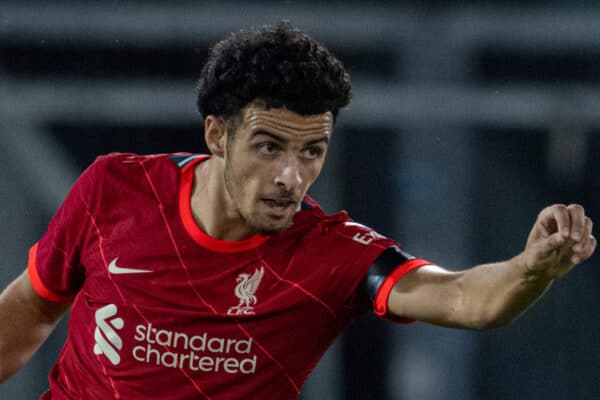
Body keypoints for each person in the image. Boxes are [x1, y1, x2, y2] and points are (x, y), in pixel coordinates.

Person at [0, 21, 596, 399]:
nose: (292, 176)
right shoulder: (114, 189)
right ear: (216, 134)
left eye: (312, 151)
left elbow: (467, 298)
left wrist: (532, 267)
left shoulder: (333, 254)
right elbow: (31, 306)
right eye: (269, 147)